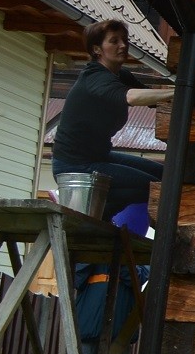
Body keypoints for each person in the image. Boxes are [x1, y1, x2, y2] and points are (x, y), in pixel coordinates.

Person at [51, 19, 174, 218]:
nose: (123, 46)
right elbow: (131, 97)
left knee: (164, 176)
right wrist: (177, 92)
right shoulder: (95, 78)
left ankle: (100, 214)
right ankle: (91, 218)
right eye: (114, 41)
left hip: (99, 156)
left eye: (124, 40)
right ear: (97, 49)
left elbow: (153, 101)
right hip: (74, 165)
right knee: (155, 187)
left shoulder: (120, 75)